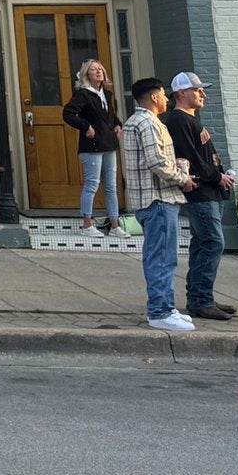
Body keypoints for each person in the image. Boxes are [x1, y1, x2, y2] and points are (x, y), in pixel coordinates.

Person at [120, 76, 193, 332]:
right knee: (161, 258)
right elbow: (157, 163)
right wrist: (183, 178)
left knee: (163, 256)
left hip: (153, 199)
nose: (167, 99)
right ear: (153, 97)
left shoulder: (141, 122)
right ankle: (160, 311)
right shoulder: (147, 122)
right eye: (163, 94)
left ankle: (167, 307)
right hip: (157, 199)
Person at [163, 71, 236, 320]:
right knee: (213, 242)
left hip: (211, 190)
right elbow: (189, 157)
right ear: (181, 93)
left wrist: (220, 176)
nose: (202, 93)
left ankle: (200, 297)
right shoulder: (178, 120)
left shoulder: (192, 119)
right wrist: (216, 177)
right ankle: (201, 300)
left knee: (203, 243)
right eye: (196, 90)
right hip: (200, 191)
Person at [60, 59, 123, 234]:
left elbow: (108, 114)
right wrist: (85, 126)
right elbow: (68, 113)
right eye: (93, 69)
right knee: (92, 184)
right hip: (92, 146)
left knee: (111, 186)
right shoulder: (83, 94)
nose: (98, 72)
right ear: (87, 74)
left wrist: (117, 123)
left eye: (100, 69)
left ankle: (115, 225)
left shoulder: (106, 94)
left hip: (109, 143)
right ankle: (87, 224)